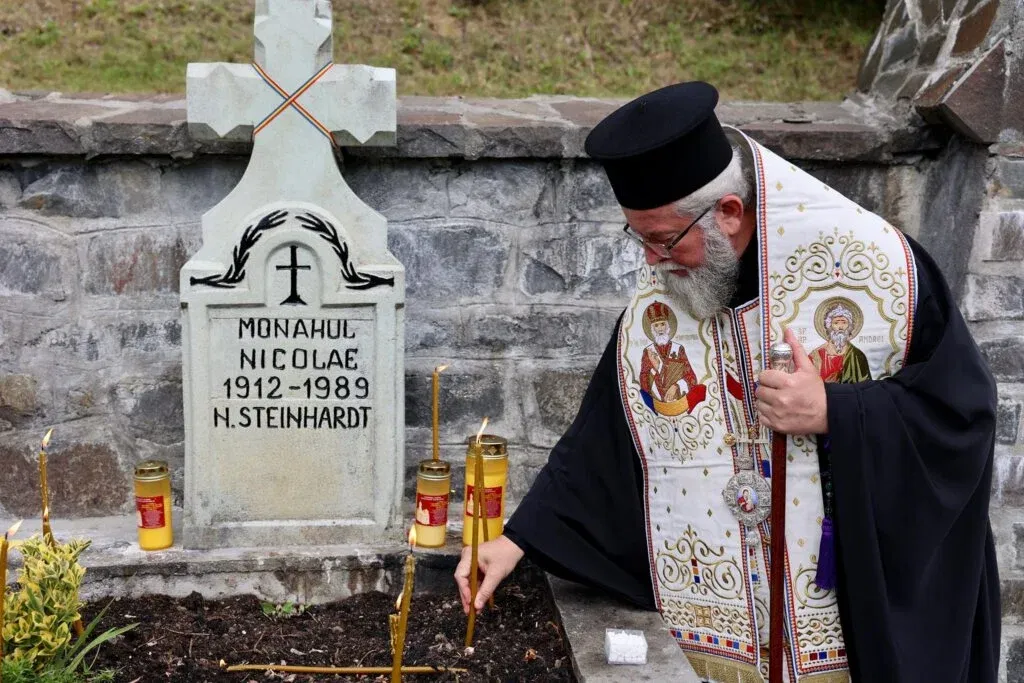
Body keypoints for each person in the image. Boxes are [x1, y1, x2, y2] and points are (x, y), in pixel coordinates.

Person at [454, 82, 999, 682]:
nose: (651, 262)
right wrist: (516, 541)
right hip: (718, 631)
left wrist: (835, 410)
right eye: (639, 239)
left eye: (663, 240)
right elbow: (604, 439)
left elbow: (960, 417)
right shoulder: (661, 303)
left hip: (842, 634)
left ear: (729, 214)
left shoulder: (878, 266)